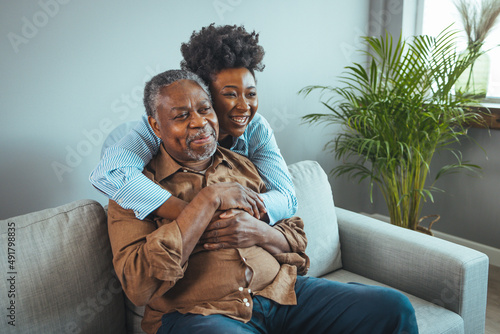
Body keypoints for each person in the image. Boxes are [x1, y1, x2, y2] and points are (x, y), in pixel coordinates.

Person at [107, 69, 418, 334]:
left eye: (205, 110)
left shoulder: (243, 165)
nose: (199, 122)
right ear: (155, 126)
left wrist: (260, 232)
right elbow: (138, 285)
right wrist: (207, 202)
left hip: (283, 293)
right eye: (181, 115)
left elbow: (296, 239)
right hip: (201, 314)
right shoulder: (132, 190)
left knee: (393, 308)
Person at [90, 24, 296, 225]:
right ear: (205, 95)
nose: (244, 107)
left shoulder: (256, 127)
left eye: (251, 94)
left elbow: (287, 197)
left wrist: (238, 215)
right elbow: (109, 172)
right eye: (230, 95)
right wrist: (198, 214)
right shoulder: (160, 127)